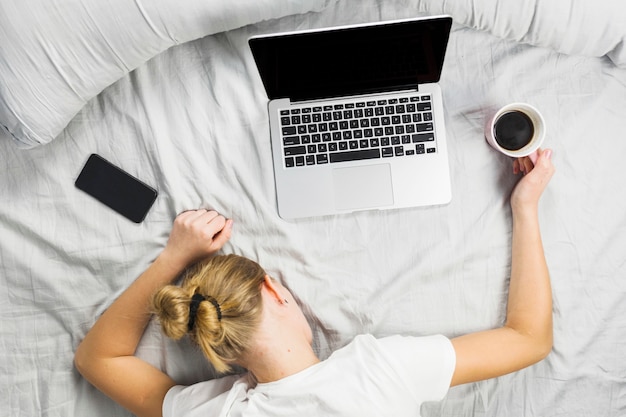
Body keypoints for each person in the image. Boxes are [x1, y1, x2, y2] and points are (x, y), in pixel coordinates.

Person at [74, 148, 555, 417]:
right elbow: (528, 338)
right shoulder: (377, 371)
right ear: (275, 291)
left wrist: (172, 259)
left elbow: (99, 359)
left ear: (220, 348)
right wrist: (525, 207)